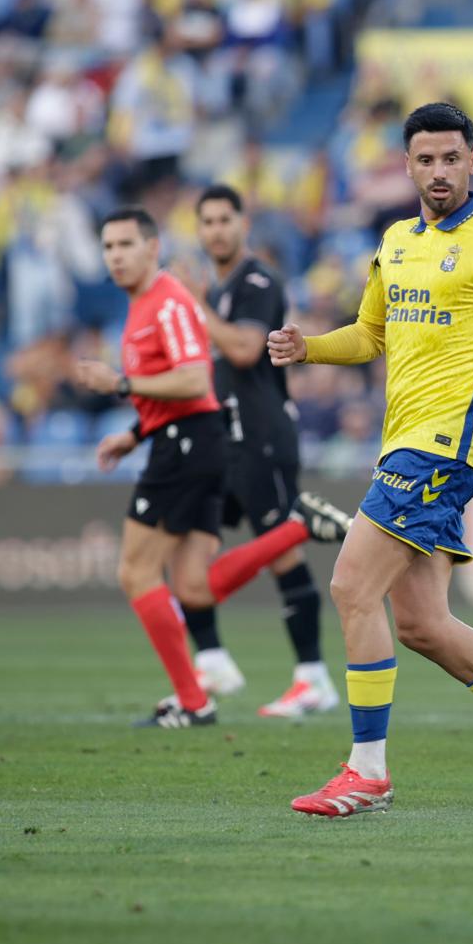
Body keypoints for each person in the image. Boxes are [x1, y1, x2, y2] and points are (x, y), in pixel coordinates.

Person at [267, 103, 473, 818]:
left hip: (447, 446)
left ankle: (367, 771)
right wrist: (309, 347)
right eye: (425, 160)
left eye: (451, 158)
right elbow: (369, 335)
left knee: (353, 588)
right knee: (420, 625)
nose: (439, 172)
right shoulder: (395, 242)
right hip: (405, 440)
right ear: (407, 166)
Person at [75, 207, 344, 728]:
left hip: (187, 446)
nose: (115, 256)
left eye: (126, 245)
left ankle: (194, 700)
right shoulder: (145, 306)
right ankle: (296, 527)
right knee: (193, 587)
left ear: (153, 248)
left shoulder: (168, 303)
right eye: (108, 247)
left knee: (135, 571)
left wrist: (121, 386)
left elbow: (196, 382)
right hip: (190, 441)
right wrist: (133, 435)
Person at [176, 184, 340, 718]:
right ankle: (213, 660)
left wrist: (194, 305)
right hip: (225, 439)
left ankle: (312, 677)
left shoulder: (255, 281)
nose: (217, 229)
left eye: (226, 219)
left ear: (243, 224)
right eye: (208, 221)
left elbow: (247, 350)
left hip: (262, 436)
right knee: (186, 538)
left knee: (279, 549)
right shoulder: (219, 291)